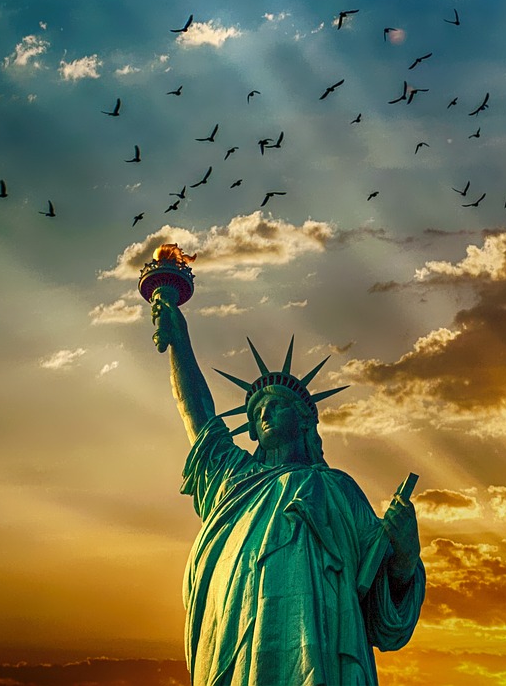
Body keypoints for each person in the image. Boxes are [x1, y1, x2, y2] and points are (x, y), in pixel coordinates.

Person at [152, 292, 424, 685]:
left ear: (304, 421)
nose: (264, 412)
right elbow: (198, 416)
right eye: (257, 411)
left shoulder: (337, 489)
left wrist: (405, 554)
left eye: (276, 405)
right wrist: (180, 343)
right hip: (236, 632)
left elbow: (381, 595)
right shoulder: (233, 478)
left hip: (322, 645)